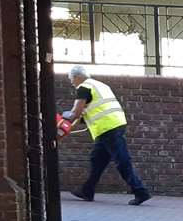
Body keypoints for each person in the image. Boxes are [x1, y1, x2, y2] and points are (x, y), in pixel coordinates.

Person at [64, 65, 151, 205]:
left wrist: (64, 119)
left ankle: (140, 191)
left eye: (71, 79)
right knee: (97, 160)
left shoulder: (84, 87)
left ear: (78, 77)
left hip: (107, 127)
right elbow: (86, 113)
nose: (71, 82)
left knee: (122, 161)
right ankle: (87, 190)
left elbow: (76, 112)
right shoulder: (100, 85)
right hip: (114, 124)